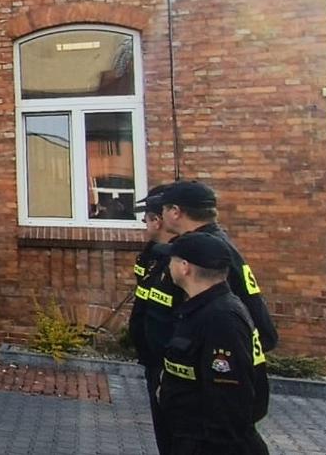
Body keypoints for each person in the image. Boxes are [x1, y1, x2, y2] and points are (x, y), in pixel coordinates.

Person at [156, 231, 271, 454]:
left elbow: (229, 403)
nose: (168, 265)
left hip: (212, 445)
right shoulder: (202, 309)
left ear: (185, 267)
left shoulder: (221, 318)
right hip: (191, 438)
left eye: (172, 260)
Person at [154, 181, 277, 354]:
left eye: (163, 209)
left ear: (175, 211)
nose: (160, 215)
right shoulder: (210, 241)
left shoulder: (207, 249)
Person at [129, 185, 181, 454]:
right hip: (154, 359)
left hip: (169, 364)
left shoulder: (182, 260)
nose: (144, 225)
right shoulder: (152, 254)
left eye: (146, 219)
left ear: (158, 220)